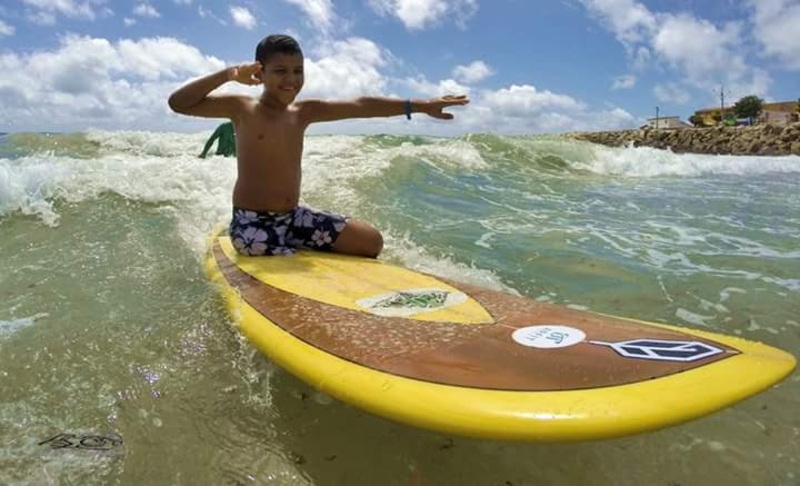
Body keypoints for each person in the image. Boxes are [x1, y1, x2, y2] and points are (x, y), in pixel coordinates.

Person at [168, 34, 468, 258]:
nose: (292, 79)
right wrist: (229, 74)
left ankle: (298, 248)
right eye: (281, 71)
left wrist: (420, 105)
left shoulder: (303, 113)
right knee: (284, 269)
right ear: (259, 73)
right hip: (253, 223)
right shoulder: (242, 108)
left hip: (294, 217)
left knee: (370, 241)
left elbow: (359, 106)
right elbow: (178, 103)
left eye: (298, 70)